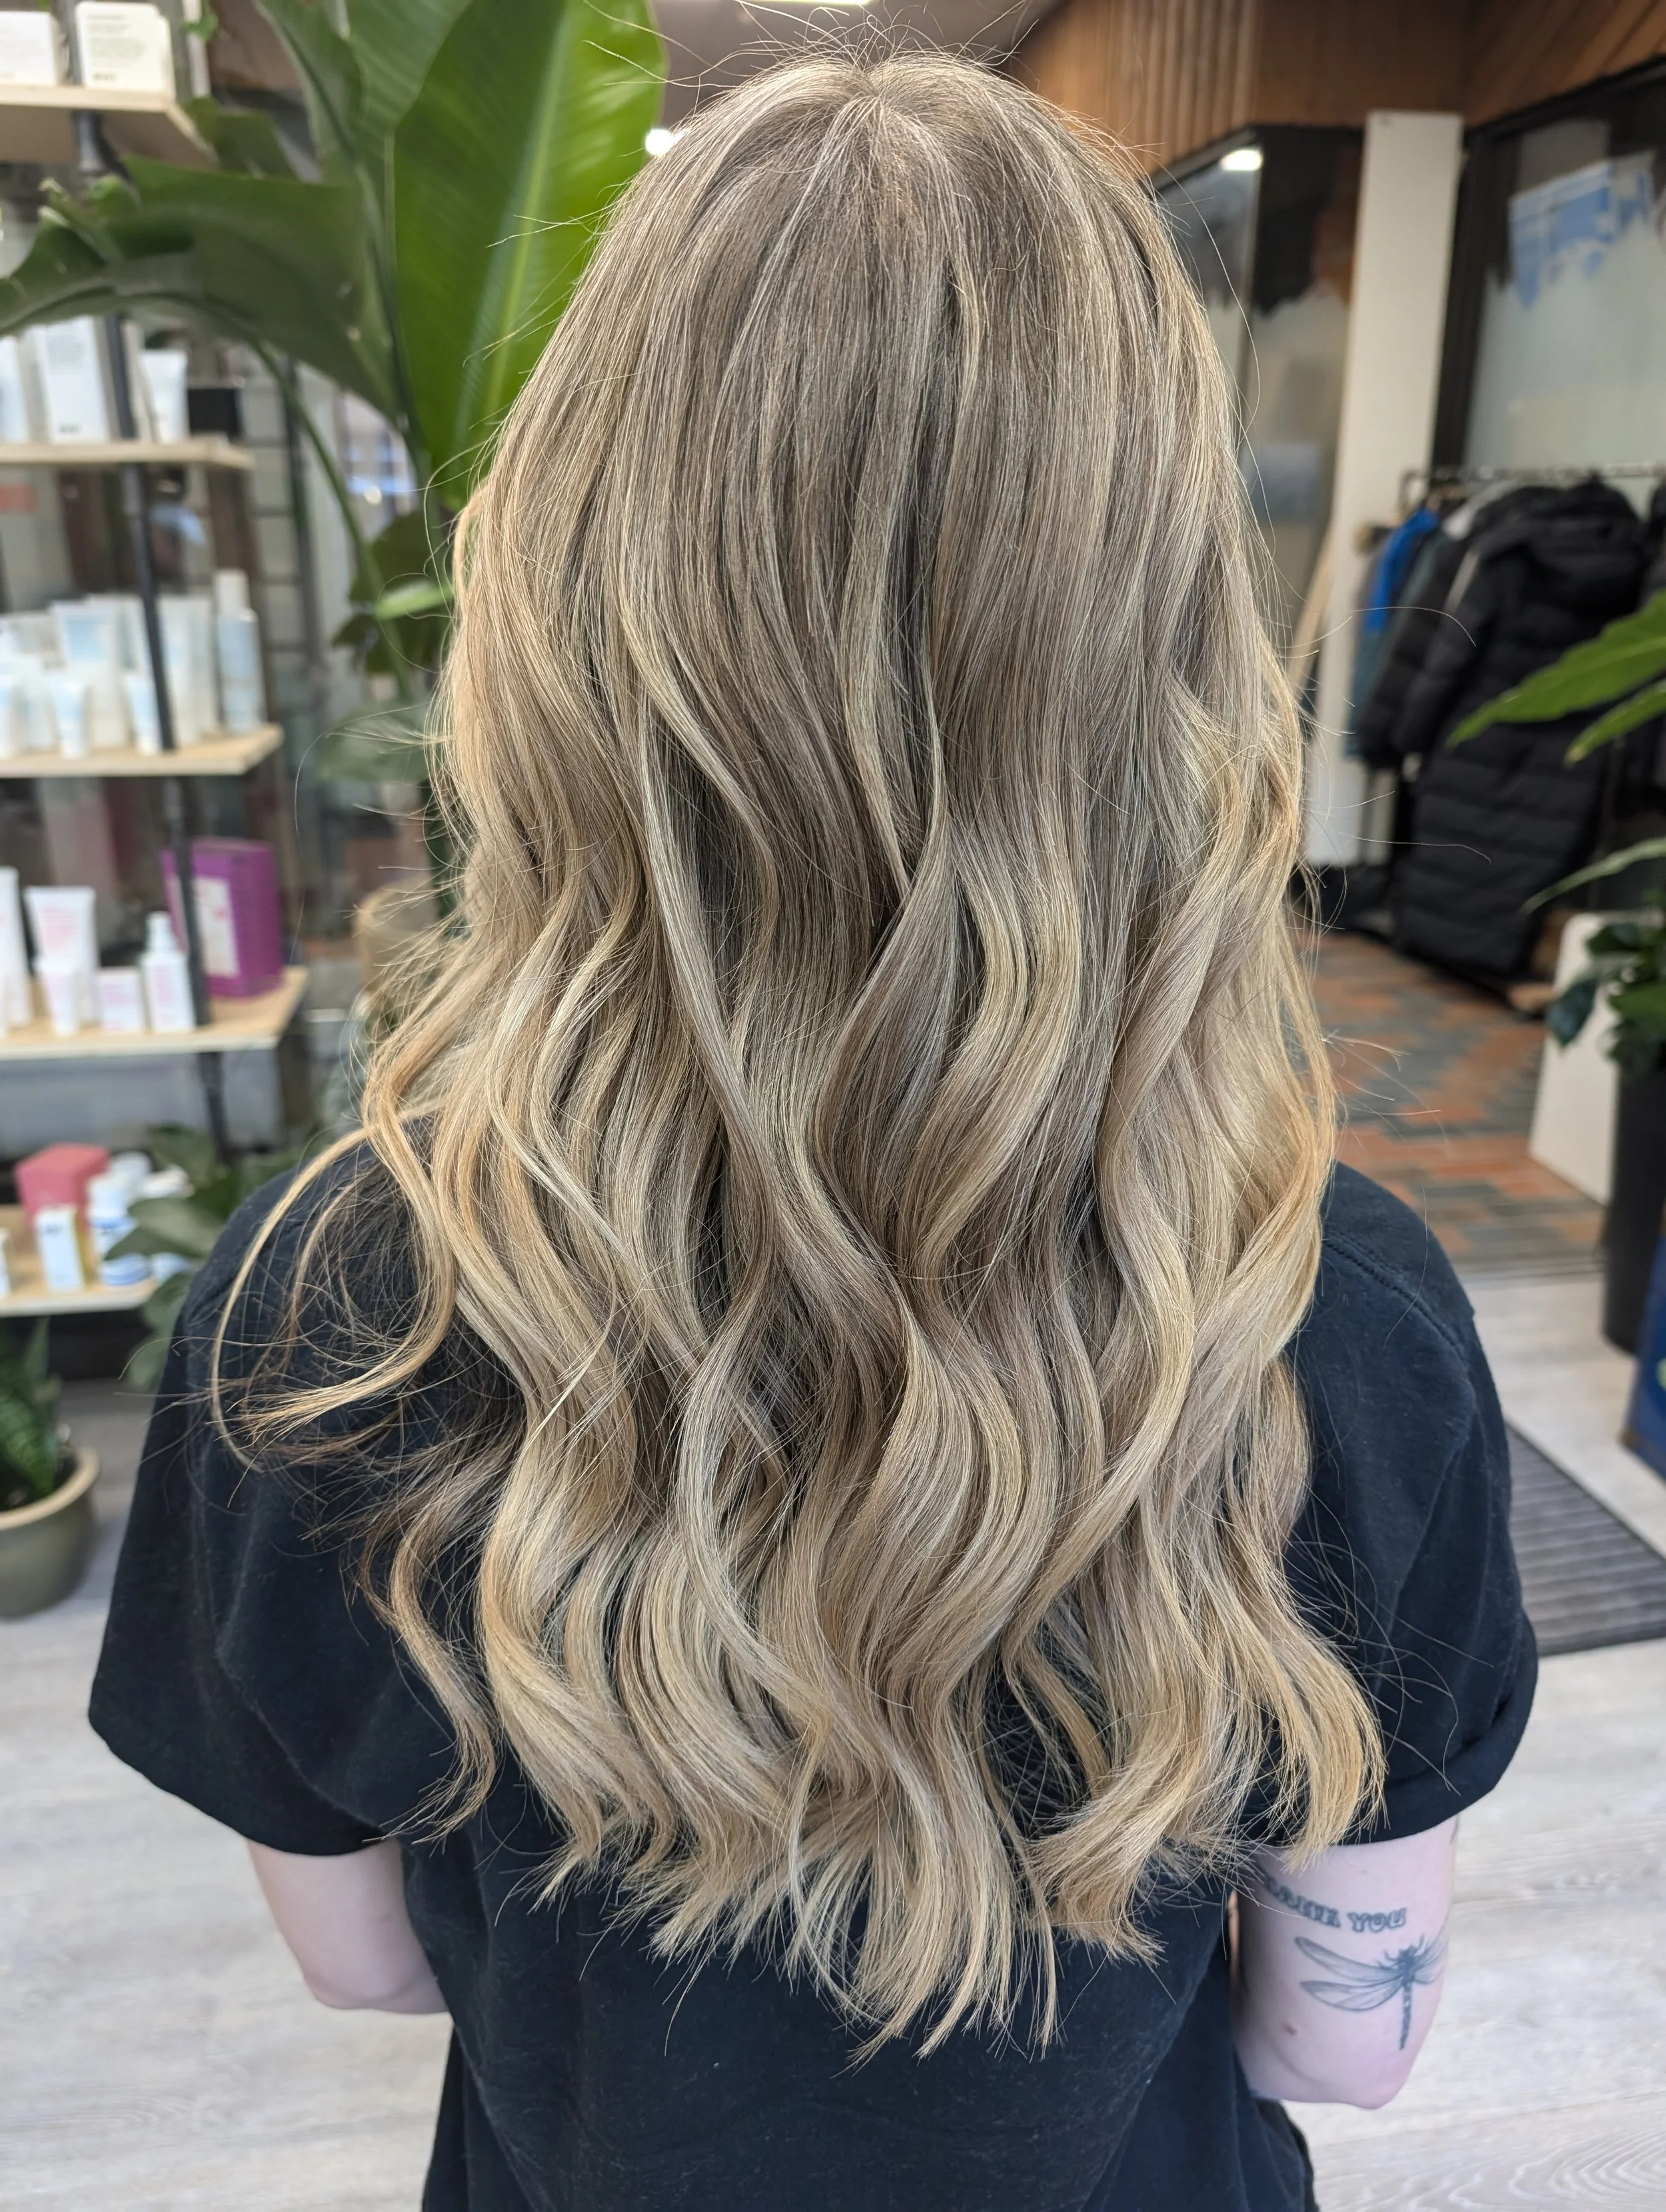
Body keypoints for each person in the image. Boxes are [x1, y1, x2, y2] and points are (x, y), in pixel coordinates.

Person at [91, 56, 1535, 2212]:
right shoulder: (1333, 1318)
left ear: (564, 598)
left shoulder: (323, 1318)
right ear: (1157, 644)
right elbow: (1348, 2038)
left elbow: (365, 1970)